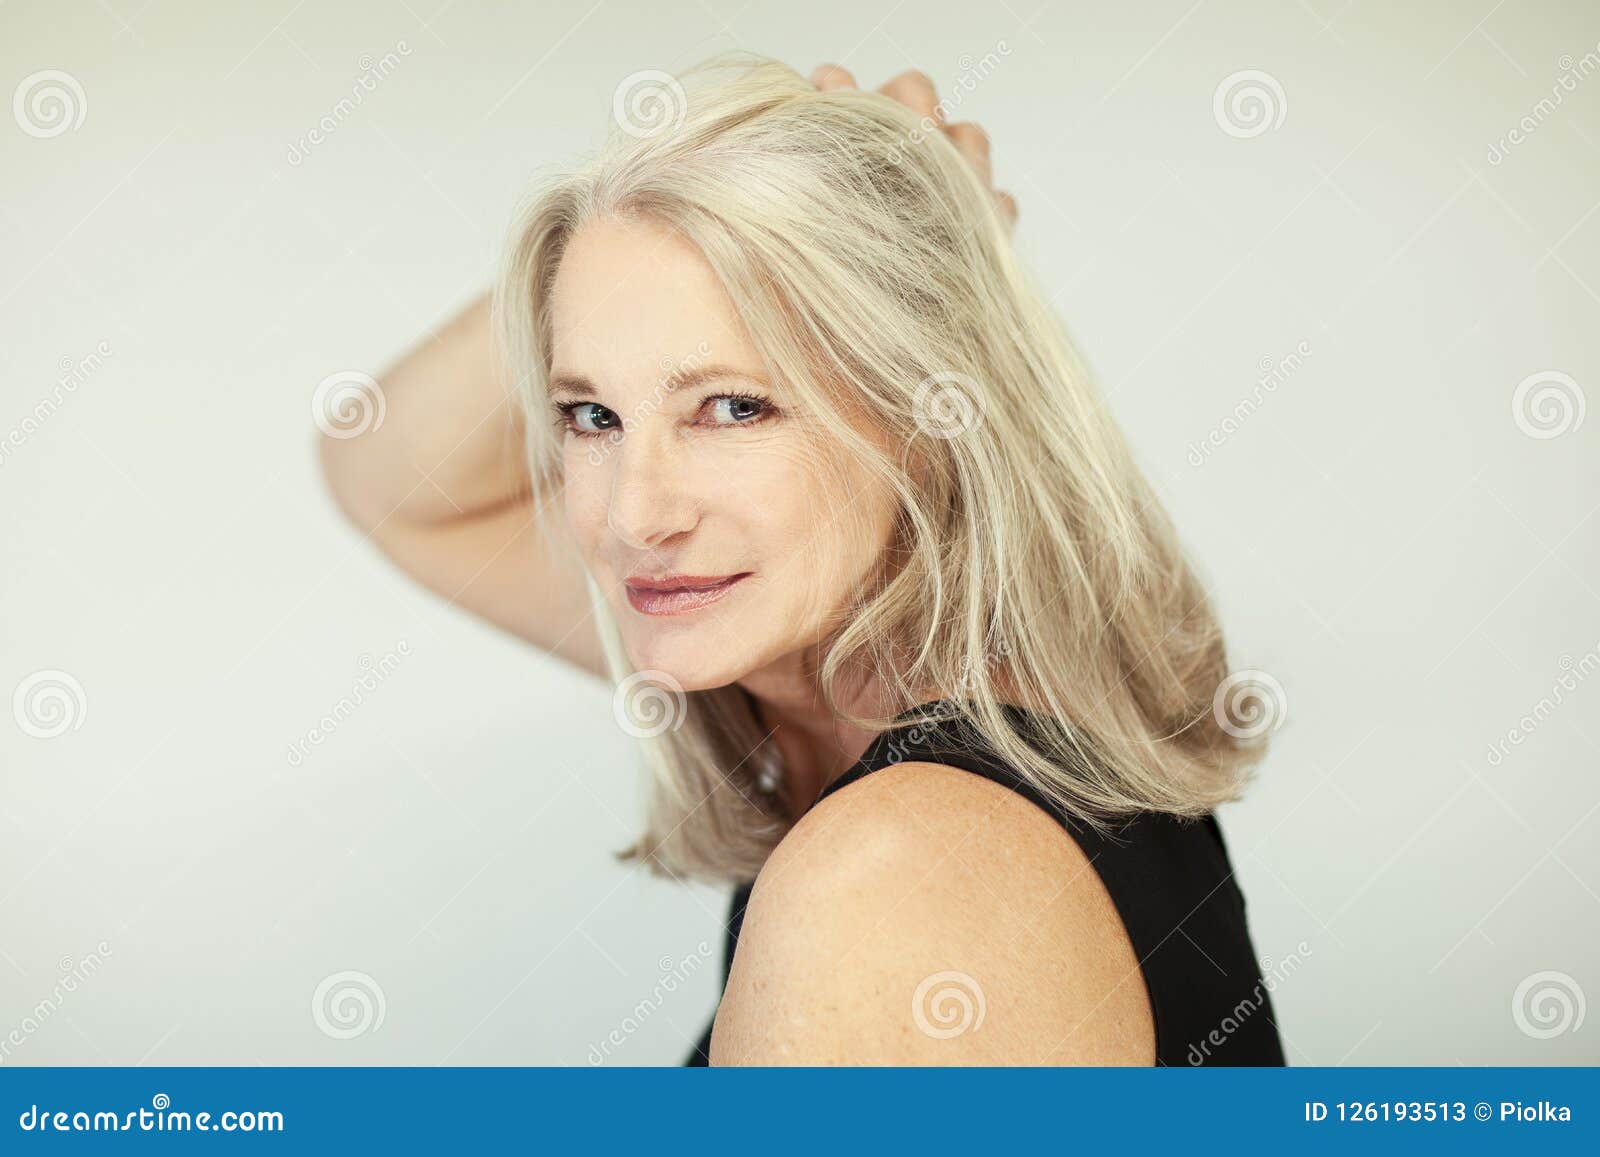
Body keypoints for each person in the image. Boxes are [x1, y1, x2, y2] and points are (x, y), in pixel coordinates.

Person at [320, 53, 1287, 1066]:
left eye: (734, 406)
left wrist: (896, 244)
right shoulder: (853, 708)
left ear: (930, 414)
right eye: (591, 413)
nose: (633, 514)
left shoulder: (891, 881)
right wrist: (685, 209)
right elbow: (387, 475)